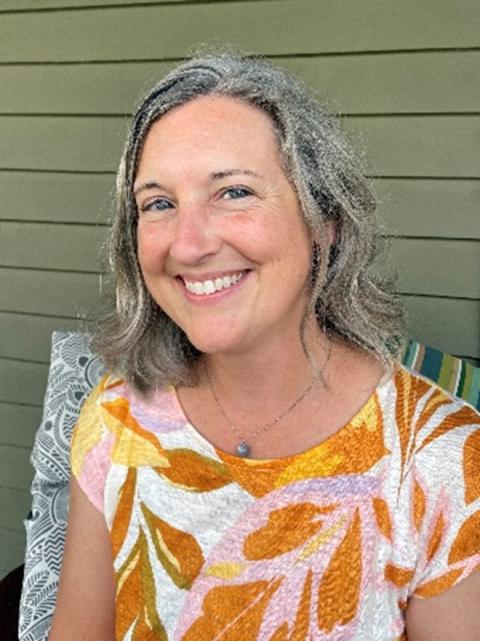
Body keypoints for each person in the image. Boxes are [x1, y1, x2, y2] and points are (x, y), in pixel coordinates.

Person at [49, 52, 480, 641]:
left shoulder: (441, 461)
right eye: (159, 204)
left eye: (233, 192)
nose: (189, 243)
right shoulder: (117, 419)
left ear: (324, 218)